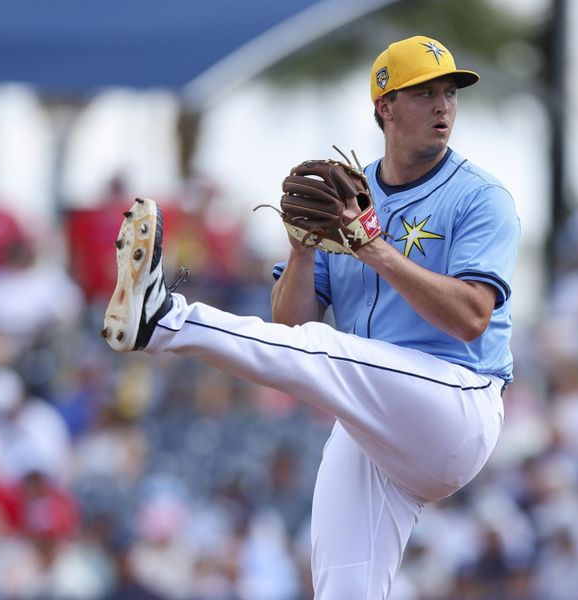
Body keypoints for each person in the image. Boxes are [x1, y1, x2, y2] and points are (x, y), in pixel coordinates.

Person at [101, 34, 520, 599]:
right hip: (375, 421)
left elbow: (472, 317)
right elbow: (289, 331)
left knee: (332, 350)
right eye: (423, 93)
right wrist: (301, 250)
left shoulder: (479, 197)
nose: (443, 105)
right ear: (385, 107)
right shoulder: (347, 196)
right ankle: (163, 320)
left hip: (455, 404)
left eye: (449, 92)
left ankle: (166, 320)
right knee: (341, 588)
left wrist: (373, 248)